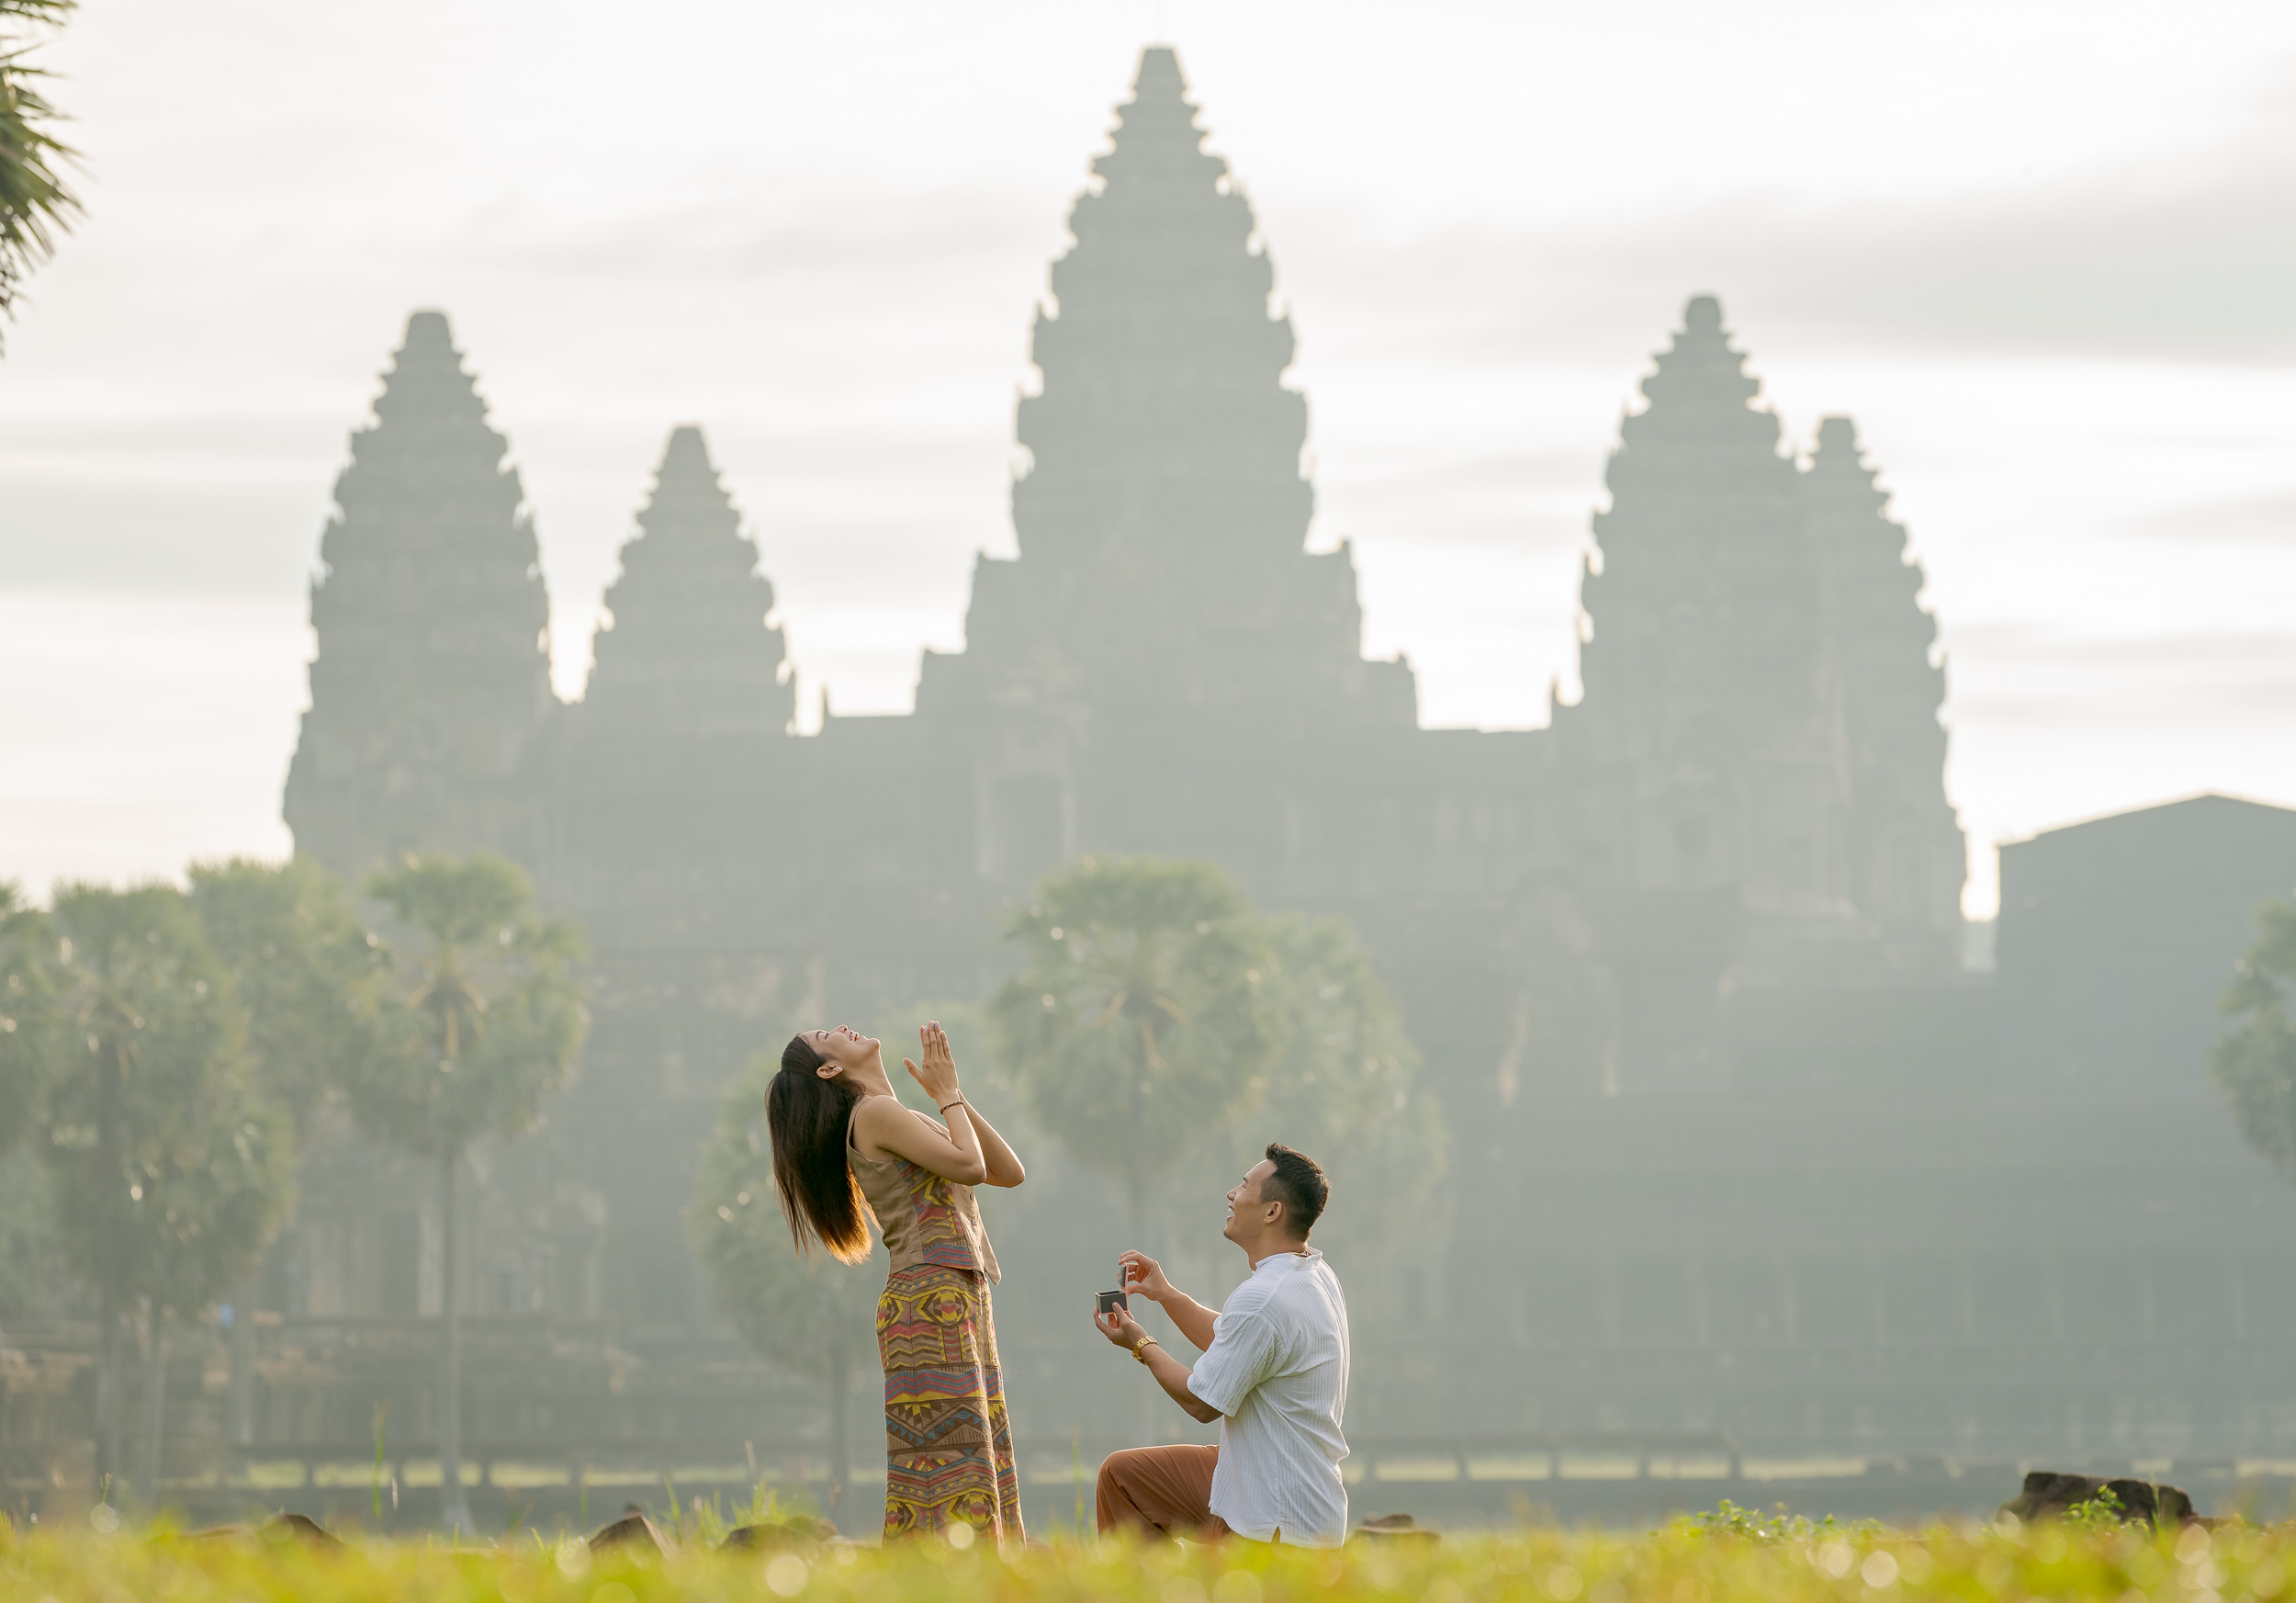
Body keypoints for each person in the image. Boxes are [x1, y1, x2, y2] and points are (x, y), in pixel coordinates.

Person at [768, 1022, 1029, 1546]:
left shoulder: (892, 1114)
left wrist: (947, 1098)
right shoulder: (873, 1115)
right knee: (952, 1465)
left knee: (970, 1456)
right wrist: (948, 1096)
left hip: (950, 1295)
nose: (841, 1025)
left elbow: (1007, 1171)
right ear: (829, 1068)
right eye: (826, 1033)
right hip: (930, 1301)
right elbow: (971, 1167)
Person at [1092, 1143, 1351, 1545]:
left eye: (1244, 1185)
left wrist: (1140, 1343)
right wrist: (1167, 1295)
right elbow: (1238, 1345)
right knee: (1124, 1477)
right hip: (1280, 1485)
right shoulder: (1313, 1273)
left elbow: (1201, 1402)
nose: (1232, 1194)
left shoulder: (1263, 1296)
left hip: (1275, 1514)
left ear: (1272, 1212)